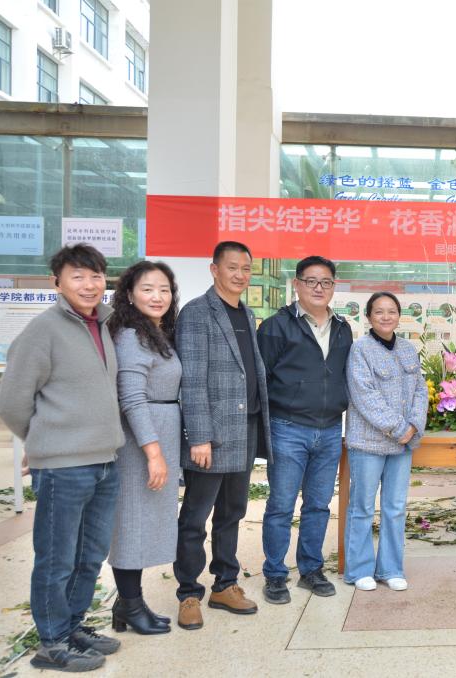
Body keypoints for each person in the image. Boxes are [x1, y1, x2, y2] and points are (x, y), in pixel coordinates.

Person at [0, 245, 125, 672]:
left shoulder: (103, 325)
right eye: (77, 276)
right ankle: (51, 643)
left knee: (90, 555)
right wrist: (43, 442)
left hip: (105, 461)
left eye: (96, 276)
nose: (89, 285)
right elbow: (12, 401)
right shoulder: (42, 330)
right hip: (63, 468)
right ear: (57, 282)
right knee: (56, 559)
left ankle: (72, 626)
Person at [174, 241, 272, 630]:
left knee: (233, 513)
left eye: (246, 268)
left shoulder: (247, 313)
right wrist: (199, 436)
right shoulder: (197, 313)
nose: (240, 275)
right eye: (232, 267)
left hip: (244, 428)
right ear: (214, 269)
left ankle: (225, 584)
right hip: (211, 435)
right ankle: (188, 593)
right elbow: (192, 380)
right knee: (195, 517)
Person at [257, 255, 352, 604]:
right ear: (296, 284)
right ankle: (275, 574)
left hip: (329, 429)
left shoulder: (343, 327)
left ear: (333, 287)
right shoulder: (276, 326)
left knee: (318, 505)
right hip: (288, 428)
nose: (318, 287)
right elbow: (261, 380)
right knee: (281, 505)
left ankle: (311, 569)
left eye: (325, 282)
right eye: (310, 281)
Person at [106, 262, 182, 635]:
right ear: (130, 294)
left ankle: (129, 603)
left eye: (164, 289)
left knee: (141, 522)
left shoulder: (155, 332)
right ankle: (130, 605)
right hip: (141, 440)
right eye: (148, 289)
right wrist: (153, 452)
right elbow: (132, 398)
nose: (157, 296)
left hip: (159, 432)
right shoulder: (131, 336)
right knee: (131, 523)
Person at [344, 292, 427, 591]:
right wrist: (398, 427)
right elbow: (364, 395)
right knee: (362, 507)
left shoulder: (408, 349)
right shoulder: (360, 350)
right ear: (368, 317)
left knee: (395, 507)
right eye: (379, 311)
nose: (386, 316)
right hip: (369, 443)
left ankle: (391, 569)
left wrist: (414, 425)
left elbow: (421, 390)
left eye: (391, 311)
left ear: (399, 316)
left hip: (403, 445)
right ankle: (359, 570)